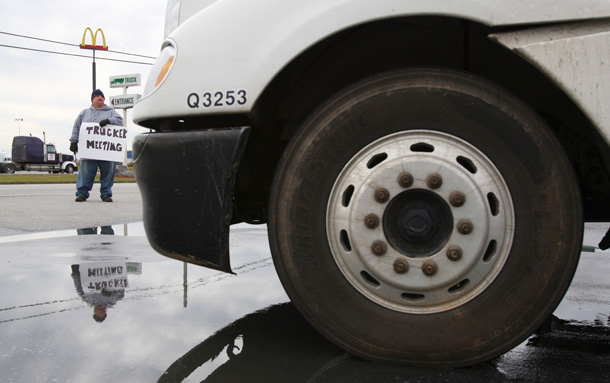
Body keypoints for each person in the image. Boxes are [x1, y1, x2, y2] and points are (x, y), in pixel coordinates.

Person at [70, 89, 123, 202]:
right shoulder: (84, 113)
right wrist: (73, 141)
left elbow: (120, 121)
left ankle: (106, 194)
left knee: (108, 172)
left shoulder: (111, 112)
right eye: (97, 96)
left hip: (107, 151)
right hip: (89, 151)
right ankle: (82, 193)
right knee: (85, 172)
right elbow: (77, 127)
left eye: (102, 96)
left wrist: (109, 120)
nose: (100, 98)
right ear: (92, 99)